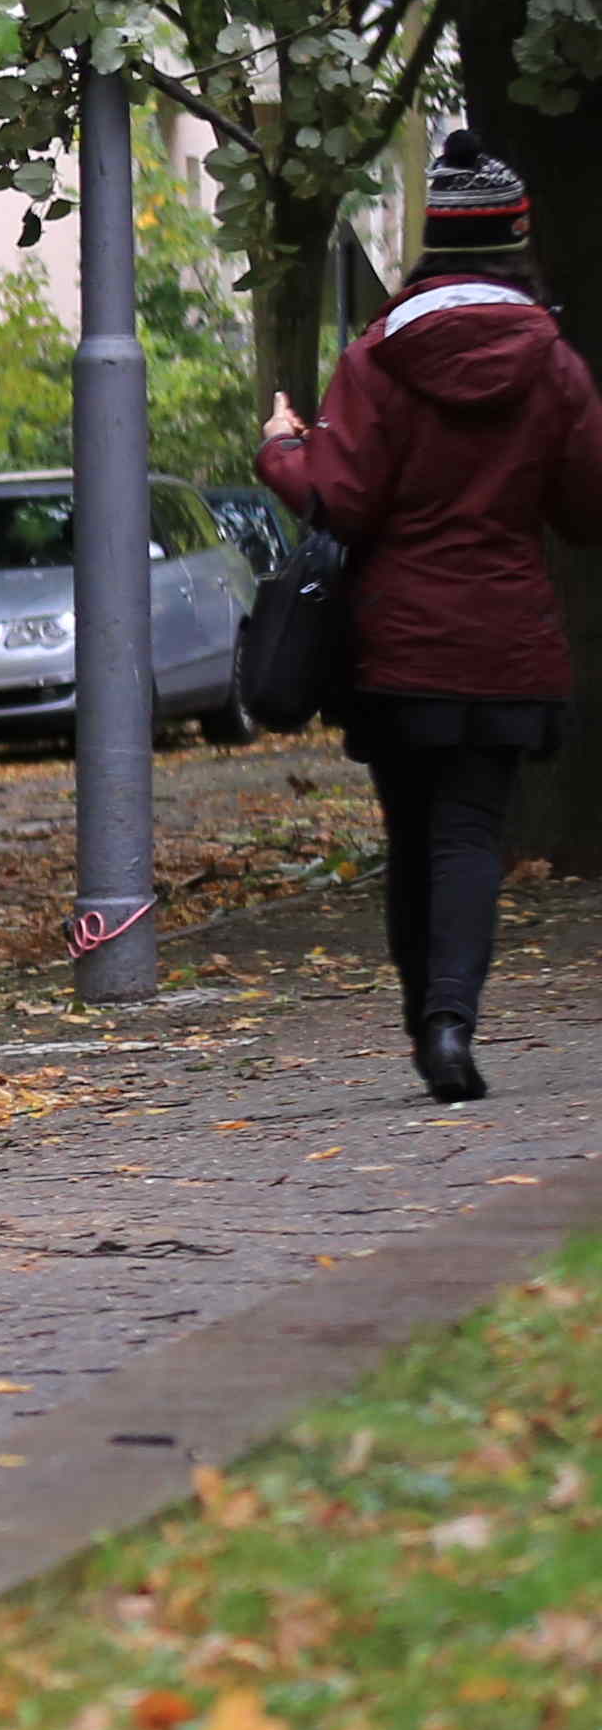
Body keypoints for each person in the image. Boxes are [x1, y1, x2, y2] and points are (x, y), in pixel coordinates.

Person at [259, 129, 602, 1103]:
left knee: (412, 835)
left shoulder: (378, 358)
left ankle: (426, 1027)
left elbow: (344, 497)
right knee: (468, 836)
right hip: (503, 643)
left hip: (397, 645)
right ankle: (454, 1022)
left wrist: (282, 450)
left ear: (435, 241)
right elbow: (587, 507)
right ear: (517, 240)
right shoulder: (556, 365)